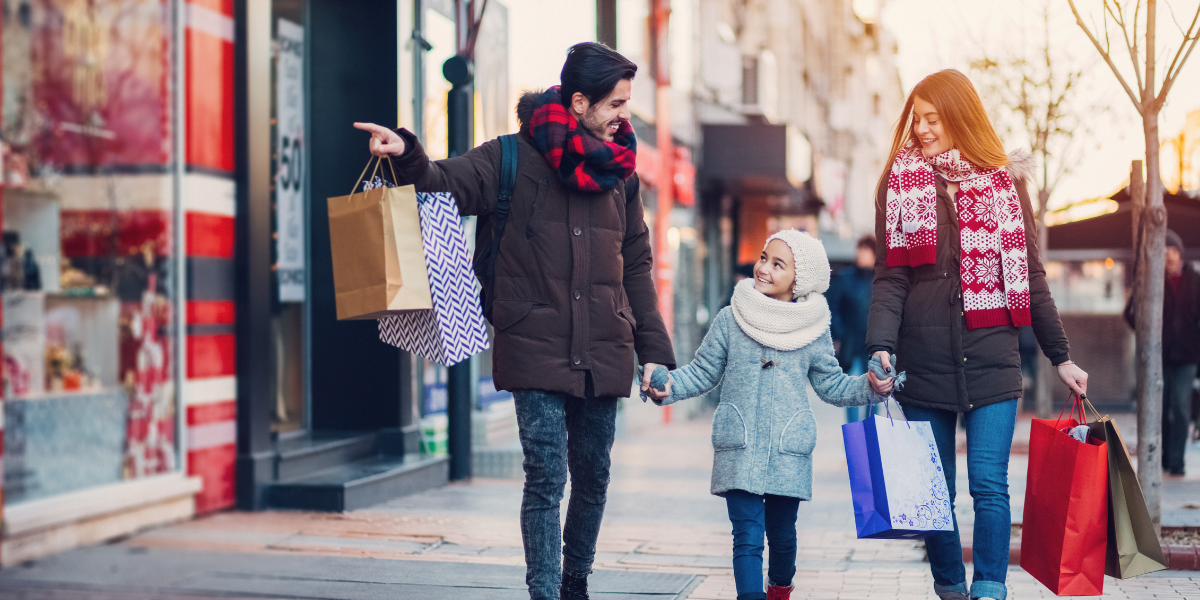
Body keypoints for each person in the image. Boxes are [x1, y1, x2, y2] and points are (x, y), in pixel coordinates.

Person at [353, 42, 675, 600]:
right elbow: (439, 181)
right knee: (546, 477)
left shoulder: (622, 173)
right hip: (531, 342)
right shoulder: (508, 158)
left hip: (604, 345)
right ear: (579, 102)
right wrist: (406, 151)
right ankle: (546, 590)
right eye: (616, 104)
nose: (625, 115)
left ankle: (576, 580)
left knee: (594, 477)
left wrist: (655, 352)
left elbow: (637, 263)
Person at [865, 70, 1088, 600]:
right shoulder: (898, 185)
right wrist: (880, 346)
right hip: (923, 361)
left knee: (989, 485)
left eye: (932, 118)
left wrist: (1061, 357)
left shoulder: (1007, 185)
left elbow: (1030, 276)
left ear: (960, 116)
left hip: (992, 356)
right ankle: (950, 589)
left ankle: (990, 589)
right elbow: (890, 277)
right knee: (933, 489)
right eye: (914, 118)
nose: (919, 129)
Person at [653, 229, 887, 600]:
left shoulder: (813, 330)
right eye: (764, 258)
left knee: (782, 537)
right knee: (746, 535)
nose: (764, 268)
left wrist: (869, 387)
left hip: (787, 450)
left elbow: (833, 386)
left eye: (778, 264)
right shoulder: (731, 319)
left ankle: (780, 589)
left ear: (800, 280)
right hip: (739, 444)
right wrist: (668, 388)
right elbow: (702, 371)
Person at [1124, 229, 1199, 476]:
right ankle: (1165, 457)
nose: (1169, 257)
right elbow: (1130, 314)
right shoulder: (1150, 281)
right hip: (1159, 356)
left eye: (1173, 251)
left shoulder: (1195, 280)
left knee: (1180, 406)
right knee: (1161, 406)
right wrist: (1147, 336)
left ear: (1180, 253)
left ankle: (1177, 461)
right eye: (1164, 252)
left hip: (1188, 357)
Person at [828, 234, 877, 422]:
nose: (861, 254)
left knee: (875, 393)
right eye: (860, 249)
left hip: (875, 346)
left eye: (866, 251)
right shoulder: (845, 278)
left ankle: (872, 433)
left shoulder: (882, 280)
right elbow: (833, 308)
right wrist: (838, 334)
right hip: (851, 342)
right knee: (851, 391)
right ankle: (855, 437)